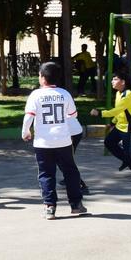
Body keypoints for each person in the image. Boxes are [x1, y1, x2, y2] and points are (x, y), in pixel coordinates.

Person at [22, 62, 89, 220]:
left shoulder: (35, 95)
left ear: (43, 78)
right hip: (63, 141)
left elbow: (29, 116)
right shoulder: (64, 94)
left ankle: (50, 207)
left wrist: (25, 131)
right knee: (71, 172)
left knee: (46, 173)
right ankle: (76, 204)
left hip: (43, 142)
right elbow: (73, 115)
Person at [91, 71, 131, 182]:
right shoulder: (119, 93)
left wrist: (99, 113)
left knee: (128, 152)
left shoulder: (128, 95)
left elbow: (116, 110)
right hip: (119, 126)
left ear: (123, 82)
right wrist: (112, 123)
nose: (112, 81)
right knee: (109, 142)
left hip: (128, 128)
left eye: (115, 79)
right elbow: (120, 112)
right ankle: (127, 159)